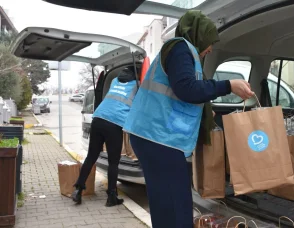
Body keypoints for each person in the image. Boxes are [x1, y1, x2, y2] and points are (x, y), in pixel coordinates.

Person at [123, 10, 254, 228]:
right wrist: (228, 85)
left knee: (166, 205)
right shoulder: (181, 48)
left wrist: (206, 112)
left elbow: (181, 92)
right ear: (199, 34)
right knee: (176, 206)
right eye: (210, 42)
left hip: (155, 137)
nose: (210, 48)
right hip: (158, 138)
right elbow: (187, 89)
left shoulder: (184, 52)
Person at [72, 67, 138, 207]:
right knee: (113, 162)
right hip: (114, 123)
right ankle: (111, 197)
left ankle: (78, 190)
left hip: (98, 118)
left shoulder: (114, 80)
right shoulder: (136, 85)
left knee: (91, 156)